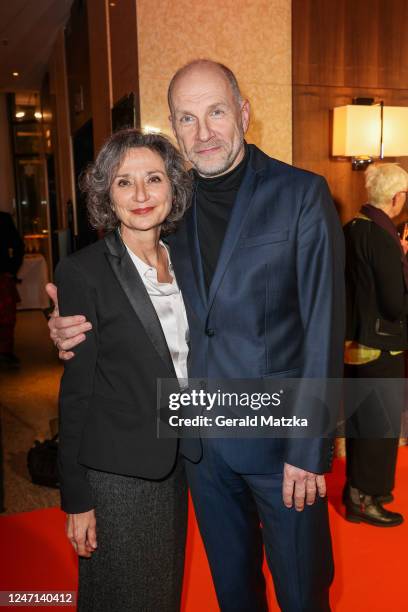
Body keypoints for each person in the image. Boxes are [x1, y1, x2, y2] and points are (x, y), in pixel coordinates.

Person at [48, 60, 345, 611]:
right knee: (234, 592)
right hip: (199, 454)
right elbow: (130, 299)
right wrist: (67, 328)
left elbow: (323, 325)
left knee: (303, 592)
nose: (204, 131)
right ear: (174, 127)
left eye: (216, 112)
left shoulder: (301, 193)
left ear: (244, 113)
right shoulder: (168, 209)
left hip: (281, 447)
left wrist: (309, 447)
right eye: (187, 118)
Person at [54, 130, 191, 611]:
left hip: (178, 462)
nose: (140, 195)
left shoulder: (188, 262)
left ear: (172, 187)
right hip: (119, 476)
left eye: (153, 179)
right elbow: (76, 392)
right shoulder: (83, 271)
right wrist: (76, 496)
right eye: (123, 182)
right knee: (128, 597)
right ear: (105, 196)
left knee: (162, 594)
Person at [343, 163, 408, 527]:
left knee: (362, 423)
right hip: (381, 345)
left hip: (355, 343)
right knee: (378, 428)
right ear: (397, 198)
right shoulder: (383, 237)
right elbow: (394, 304)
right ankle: (364, 499)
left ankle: (363, 490)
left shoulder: (354, 228)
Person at [0, 211, 24, 368]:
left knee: (6, 319)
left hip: (1, 276)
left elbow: (18, 246)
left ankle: (4, 352)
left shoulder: (2, 219)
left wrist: (11, 270)